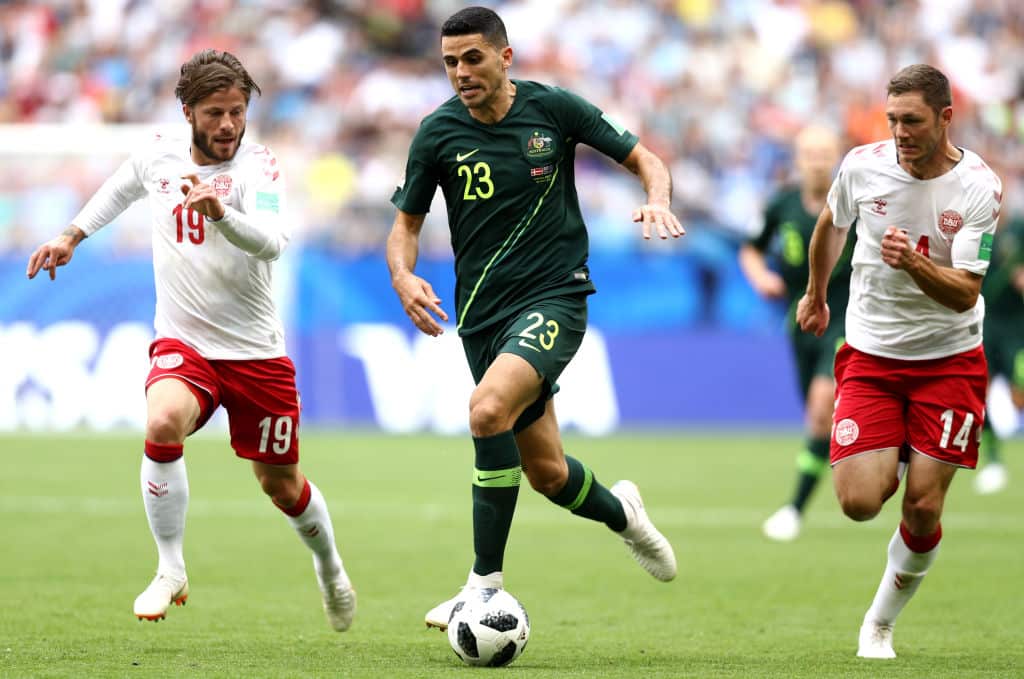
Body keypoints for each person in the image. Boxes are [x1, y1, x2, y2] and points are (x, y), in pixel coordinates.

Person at [25, 49, 356, 631]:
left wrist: (222, 212)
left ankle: (329, 566)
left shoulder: (260, 166)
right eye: (215, 113)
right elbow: (120, 188)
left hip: (255, 352)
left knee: (281, 485)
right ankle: (170, 567)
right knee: (161, 423)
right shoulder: (158, 153)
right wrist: (71, 234)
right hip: (186, 343)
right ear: (188, 113)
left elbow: (274, 241)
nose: (228, 125)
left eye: (237, 112)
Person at [386, 6, 680, 630]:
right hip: (481, 317)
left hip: (555, 297)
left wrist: (656, 199)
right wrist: (403, 276)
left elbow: (645, 159)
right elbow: (405, 227)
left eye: (472, 58)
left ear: (505, 56)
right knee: (547, 473)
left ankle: (481, 587)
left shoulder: (554, 109)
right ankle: (625, 516)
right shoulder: (437, 133)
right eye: (450, 62)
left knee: (487, 410)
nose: (461, 72)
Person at [796, 64, 1001, 659]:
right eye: (891, 120)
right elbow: (832, 225)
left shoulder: (979, 188)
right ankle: (900, 445)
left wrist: (913, 263)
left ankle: (880, 622)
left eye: (912, 121)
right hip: (872, 354)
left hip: (949, 360)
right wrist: (815, 293)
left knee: (923, 506)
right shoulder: (863, 166)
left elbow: (965, 292)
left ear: (945, 117)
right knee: (859, 502)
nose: (900, 132)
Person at [739, 124, 852, 541]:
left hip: (845, 320)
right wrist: (760, 277)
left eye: (825, 154)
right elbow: (751, 249)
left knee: (822, 407)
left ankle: (794, 508)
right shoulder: (782, 204)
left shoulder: (854, 205)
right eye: (810, 154)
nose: (818, 162)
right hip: (800, 321)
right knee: (816, 417)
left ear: (837, 157)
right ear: (798, 160)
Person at [975, 213, 1024, 494]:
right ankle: (993, 460)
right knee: (980, 390)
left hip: (1017, 327)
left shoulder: (1019, 228)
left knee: (1019, 391)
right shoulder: (978, 233)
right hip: (987, 324)